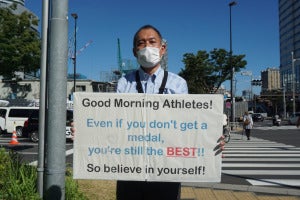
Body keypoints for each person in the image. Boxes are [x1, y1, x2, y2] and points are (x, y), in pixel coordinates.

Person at [116, 24, 188, 200]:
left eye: (152, 41)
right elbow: (114, 121)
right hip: (130, 167)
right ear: (134, 51)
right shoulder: (124, 83)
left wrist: (209, 142)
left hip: (166, 168)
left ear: (162, 49)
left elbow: (187, 125)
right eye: (141, 43)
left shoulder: (178, 84)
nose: (147, 47)